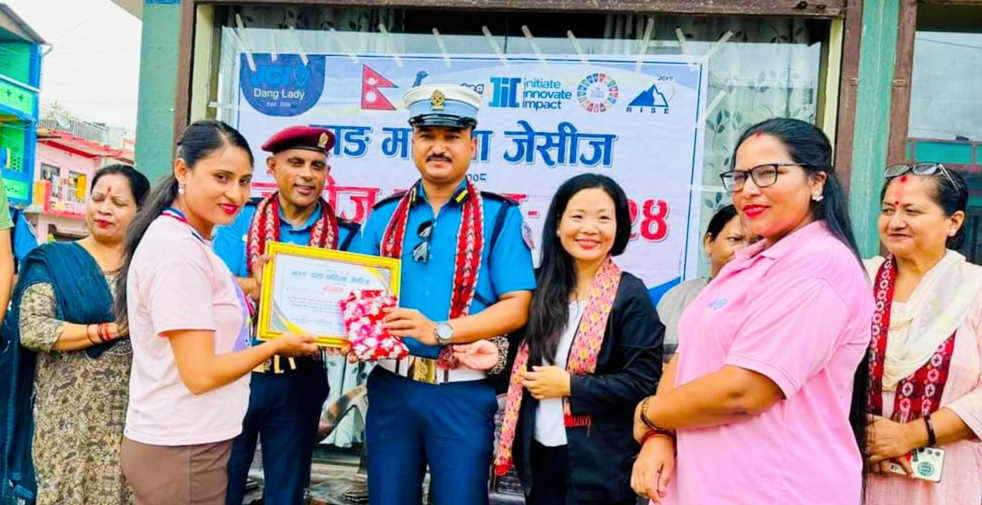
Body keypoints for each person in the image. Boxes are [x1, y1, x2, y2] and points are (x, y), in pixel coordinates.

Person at [631, 118, 873, 505]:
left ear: (816, 182)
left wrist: (649, 413)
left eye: (767, 173)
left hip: (776, 489)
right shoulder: (751, 260)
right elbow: (687, 355)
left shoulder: (820, 264)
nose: (748, 190)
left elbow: (745, 391)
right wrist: (659, 435)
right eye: (740, 177)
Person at [113, 120, 318, 505]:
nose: (235, 194)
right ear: (182, 170)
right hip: (182, 447)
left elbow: (209, 312)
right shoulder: (178, 252)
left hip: (187, 440)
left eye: (244, 181)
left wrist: (257, 289)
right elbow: (201, 373)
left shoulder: (188, 242)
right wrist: (275, 347)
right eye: (221, 178)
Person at [352, 84, 535, 505]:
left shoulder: (500, 216)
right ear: (412, 143)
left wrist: (440, 331)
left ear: (473, 145)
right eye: (427, 136)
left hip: (461, 391)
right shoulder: (383, 216)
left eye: (452, 136)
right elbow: (356, 294)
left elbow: (517, 306)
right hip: (393, 386)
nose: (438, 147)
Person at [493, 173, 663, 505]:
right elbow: (513, 363)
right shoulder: (536, 287)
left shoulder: (630, 295)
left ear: (619, 228)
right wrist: (492, 355)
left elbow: (643, 382)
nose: (589, 228)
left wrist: (571, 385)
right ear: (558, 225)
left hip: (600, 463)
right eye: (578, 216)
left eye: (603, 218)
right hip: (537, 454)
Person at [213, 125, 359, 505]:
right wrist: (256, 286)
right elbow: (215, 285)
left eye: (317, 166)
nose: (307, 175)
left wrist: (352, 329)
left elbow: (355, 304)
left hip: (299, 379)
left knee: (287, 493)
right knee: (222, 487)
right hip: (238, 372)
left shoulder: (345, 237)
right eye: (296, 163)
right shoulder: (239, 219)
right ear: (273, 167)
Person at [0, 165, 149, 505]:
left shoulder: (148, 266)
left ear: (141, 211)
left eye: (118, 203)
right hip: (65, 422)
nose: (104, 209)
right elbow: (33, 328)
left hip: (130, 417)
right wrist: (110, 330)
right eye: (97, 199)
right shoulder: (53, 260)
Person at [863, 163, 982, 505]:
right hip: (855, 470)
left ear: (953, 222)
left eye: (912, 211)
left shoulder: (975, 290)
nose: (895, 222)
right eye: (888, 210)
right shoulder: (856, 280)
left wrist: (910, 435)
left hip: (945, 484)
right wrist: (861, 430)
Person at [656, 204, 753, 359]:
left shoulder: (769, 301)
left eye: (755, 242)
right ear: (709, 243)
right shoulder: (677, 298)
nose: (744, 251)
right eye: (735, 239)